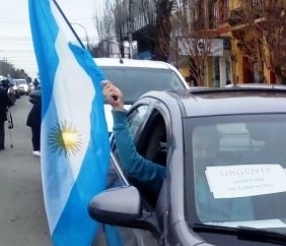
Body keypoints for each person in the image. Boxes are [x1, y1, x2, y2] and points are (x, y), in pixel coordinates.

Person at [101, 80, 253, 222]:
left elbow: (245, 221)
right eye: (199, 148)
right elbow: (133, 164)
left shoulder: (234, 175)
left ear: (218, 145)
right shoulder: (174, 175)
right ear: (187, 148)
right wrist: (118, 110)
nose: (205, 153)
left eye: (210, 147)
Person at [26, 89, 42, 156]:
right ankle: (36, 149)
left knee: (37, 134)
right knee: (36, 135)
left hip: (35, 120)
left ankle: (38, 149)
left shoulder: (39, 103)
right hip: (35, 121)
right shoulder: (40, 104)